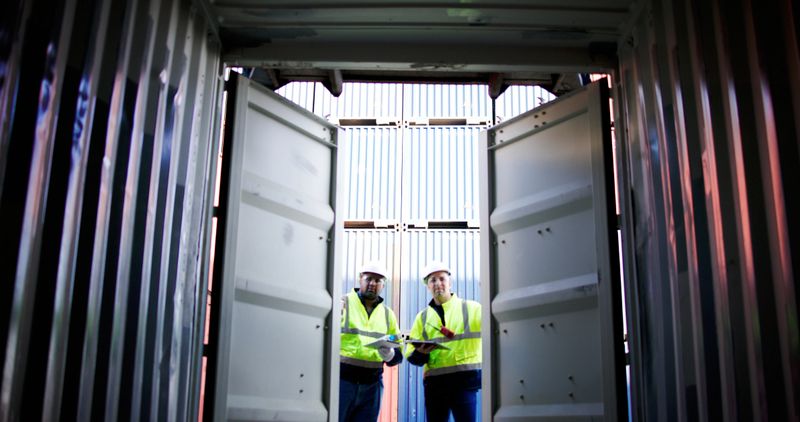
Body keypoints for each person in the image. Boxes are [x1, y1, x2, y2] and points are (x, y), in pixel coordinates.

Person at [406, 261, 482, 422]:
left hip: (465, 383)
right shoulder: (422, 317)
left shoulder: (473, 309)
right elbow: (411, 356)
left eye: (442, 278)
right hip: (435, 386)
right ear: (428, 286)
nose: (438, 284)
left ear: (450, 282)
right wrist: (420, 353)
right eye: (433, 280)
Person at [339, 261, 403, 421]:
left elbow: (399, 354)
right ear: (360, 279)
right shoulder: (342, 304)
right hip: (342, 382)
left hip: (372, 386)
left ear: (383, 285)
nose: (373, 284)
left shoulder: (389, 315)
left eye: (378, 280)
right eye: (369, 279)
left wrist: (390, 354)